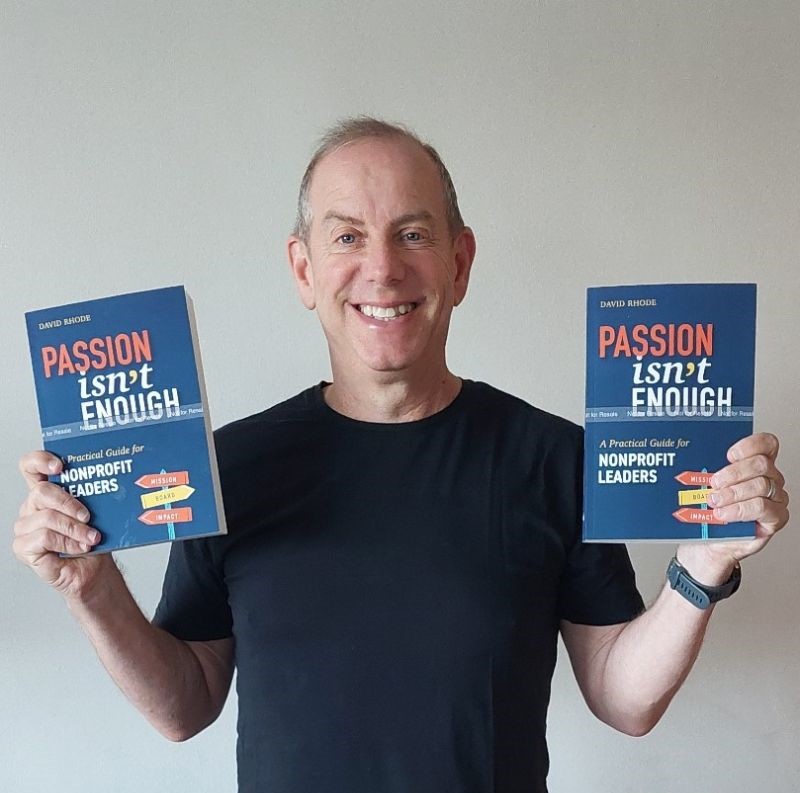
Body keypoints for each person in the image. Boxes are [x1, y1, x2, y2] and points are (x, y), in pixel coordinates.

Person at [13, 117, 790, 793]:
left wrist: (703, 565)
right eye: (347, 235)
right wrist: (91, 587)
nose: (382, 268)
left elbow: (625, 700)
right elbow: (186, 705)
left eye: (412, 234)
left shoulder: (553, 458)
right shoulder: (228, 466)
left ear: (460, 262)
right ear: (303, 270)